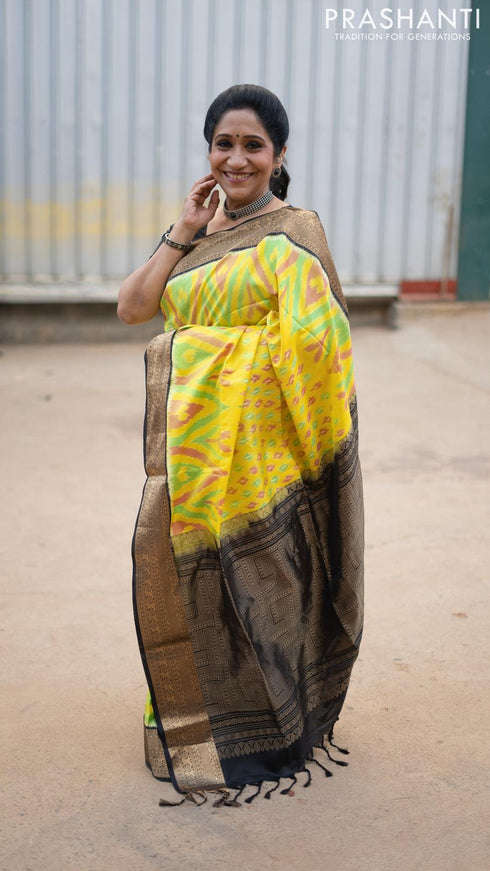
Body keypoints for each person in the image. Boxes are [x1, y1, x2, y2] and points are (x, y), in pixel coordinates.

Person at [118, 84, 364, 807]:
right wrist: (182, 230)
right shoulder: (197, 232)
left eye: (253, 144)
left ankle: (273, 730)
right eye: (223, 143)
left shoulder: (296, 234)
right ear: (209, 153)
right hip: (194, 464)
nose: (236, 158)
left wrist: (208, 354)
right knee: (193, 585)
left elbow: (321, 349)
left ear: (280, 154)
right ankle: (195, 720)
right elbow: (134, 307)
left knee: (264, 593)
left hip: (265, 464)